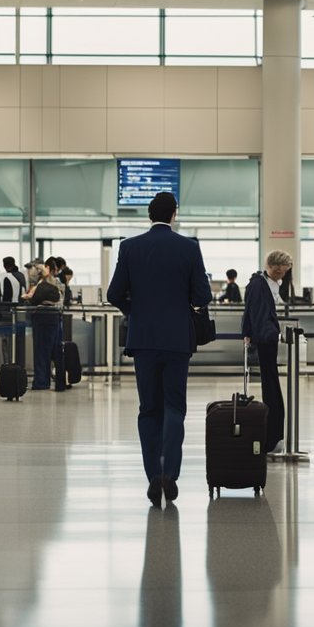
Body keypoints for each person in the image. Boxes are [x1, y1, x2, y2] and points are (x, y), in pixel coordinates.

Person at [107, 192, 211, 507]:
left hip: (143, 339)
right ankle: (171, 474)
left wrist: (134, 311)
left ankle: (153, 475)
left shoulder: (129, 247)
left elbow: (114, 294)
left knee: (148, 410)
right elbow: (202, 295)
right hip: (178, 340)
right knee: (174, 408)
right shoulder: (189, 248)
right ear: (174, 214)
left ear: (149, 215)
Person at [241, 250, 293, 453]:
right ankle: (272, 436)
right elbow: (257, 314)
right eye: (282, 271)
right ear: (274, 267)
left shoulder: (263, 283)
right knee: (270, 387)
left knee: (272, 386)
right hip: (265, 341)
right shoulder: (259, 285)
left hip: (265, 339)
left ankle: (275, 435)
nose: (283, 275)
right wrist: (273, 335)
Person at [24, 261, 62, 390]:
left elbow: (34, 301)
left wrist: (28, 298)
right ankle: (60, 381)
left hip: (42, 319)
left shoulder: (40, 287)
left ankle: (41, 382)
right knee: (54, 351)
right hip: (54, 318)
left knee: (41, 352)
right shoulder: (55, 284)